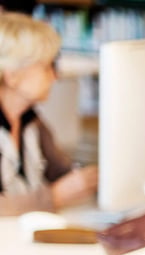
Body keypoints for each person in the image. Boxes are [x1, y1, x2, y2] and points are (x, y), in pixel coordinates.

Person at [0, 12, 97, 216]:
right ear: (12, 76)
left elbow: (62, 171)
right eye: (46, 67)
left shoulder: (31, 122)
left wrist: (88, 179)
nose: (55, 76)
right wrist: (53, 197)